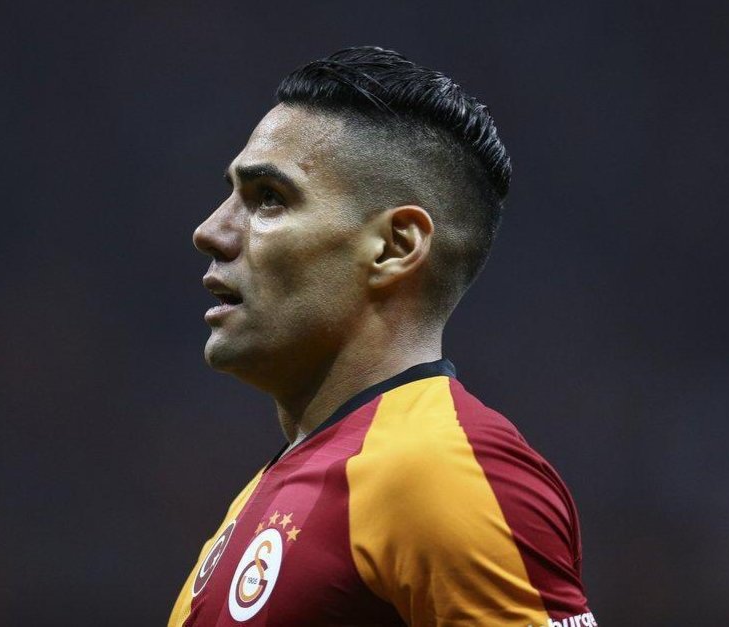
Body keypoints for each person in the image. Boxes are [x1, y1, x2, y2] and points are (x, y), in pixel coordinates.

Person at [169, 46, 597, 627]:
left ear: (395, 247)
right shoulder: (267, 494)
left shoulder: (441, 472)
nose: (210, 231)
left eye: (269, 198)